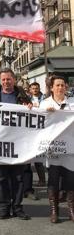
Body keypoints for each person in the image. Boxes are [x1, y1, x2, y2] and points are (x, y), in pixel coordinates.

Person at [0, 67, 33, 218]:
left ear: (14, 80)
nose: (6, 82)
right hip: (0, 145)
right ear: (0, 81)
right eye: (3, 79)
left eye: (9, 79)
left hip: (18, 144)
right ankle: (4, 208)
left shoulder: (23, 96)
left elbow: (32, 116)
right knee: (2, 178)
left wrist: (30, 108)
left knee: (19, 178)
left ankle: (18, 208)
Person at [39, 74, 74, 223]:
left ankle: (71, 209)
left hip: (70, 148)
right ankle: (54, 210)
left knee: (71, 180)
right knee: (53, 179)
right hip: (52, 149)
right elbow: (36, 123)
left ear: (66, 87)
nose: (60, 87)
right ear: (51, 88)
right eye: (57, 85)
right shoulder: (44, 104)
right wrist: (45, 113)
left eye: (62, 85)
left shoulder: (72, 103)